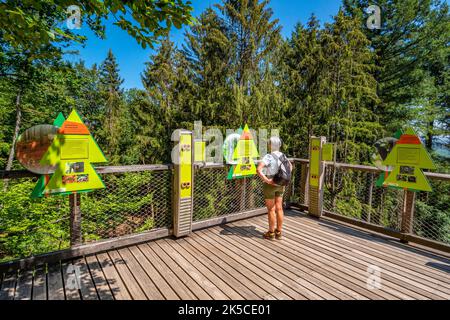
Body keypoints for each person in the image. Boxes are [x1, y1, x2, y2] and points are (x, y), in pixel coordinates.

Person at [257, 136, 291, 240]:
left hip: (270, 184)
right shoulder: (283, 156)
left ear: (271, 145)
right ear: (279, 145)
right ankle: (279, 232)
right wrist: (284, 178)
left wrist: (267, 180)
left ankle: (271, 233)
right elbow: (290, 166)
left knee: (271, 209)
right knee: (279, 208)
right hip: (281, 184)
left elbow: (258, 170)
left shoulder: (268, 156)